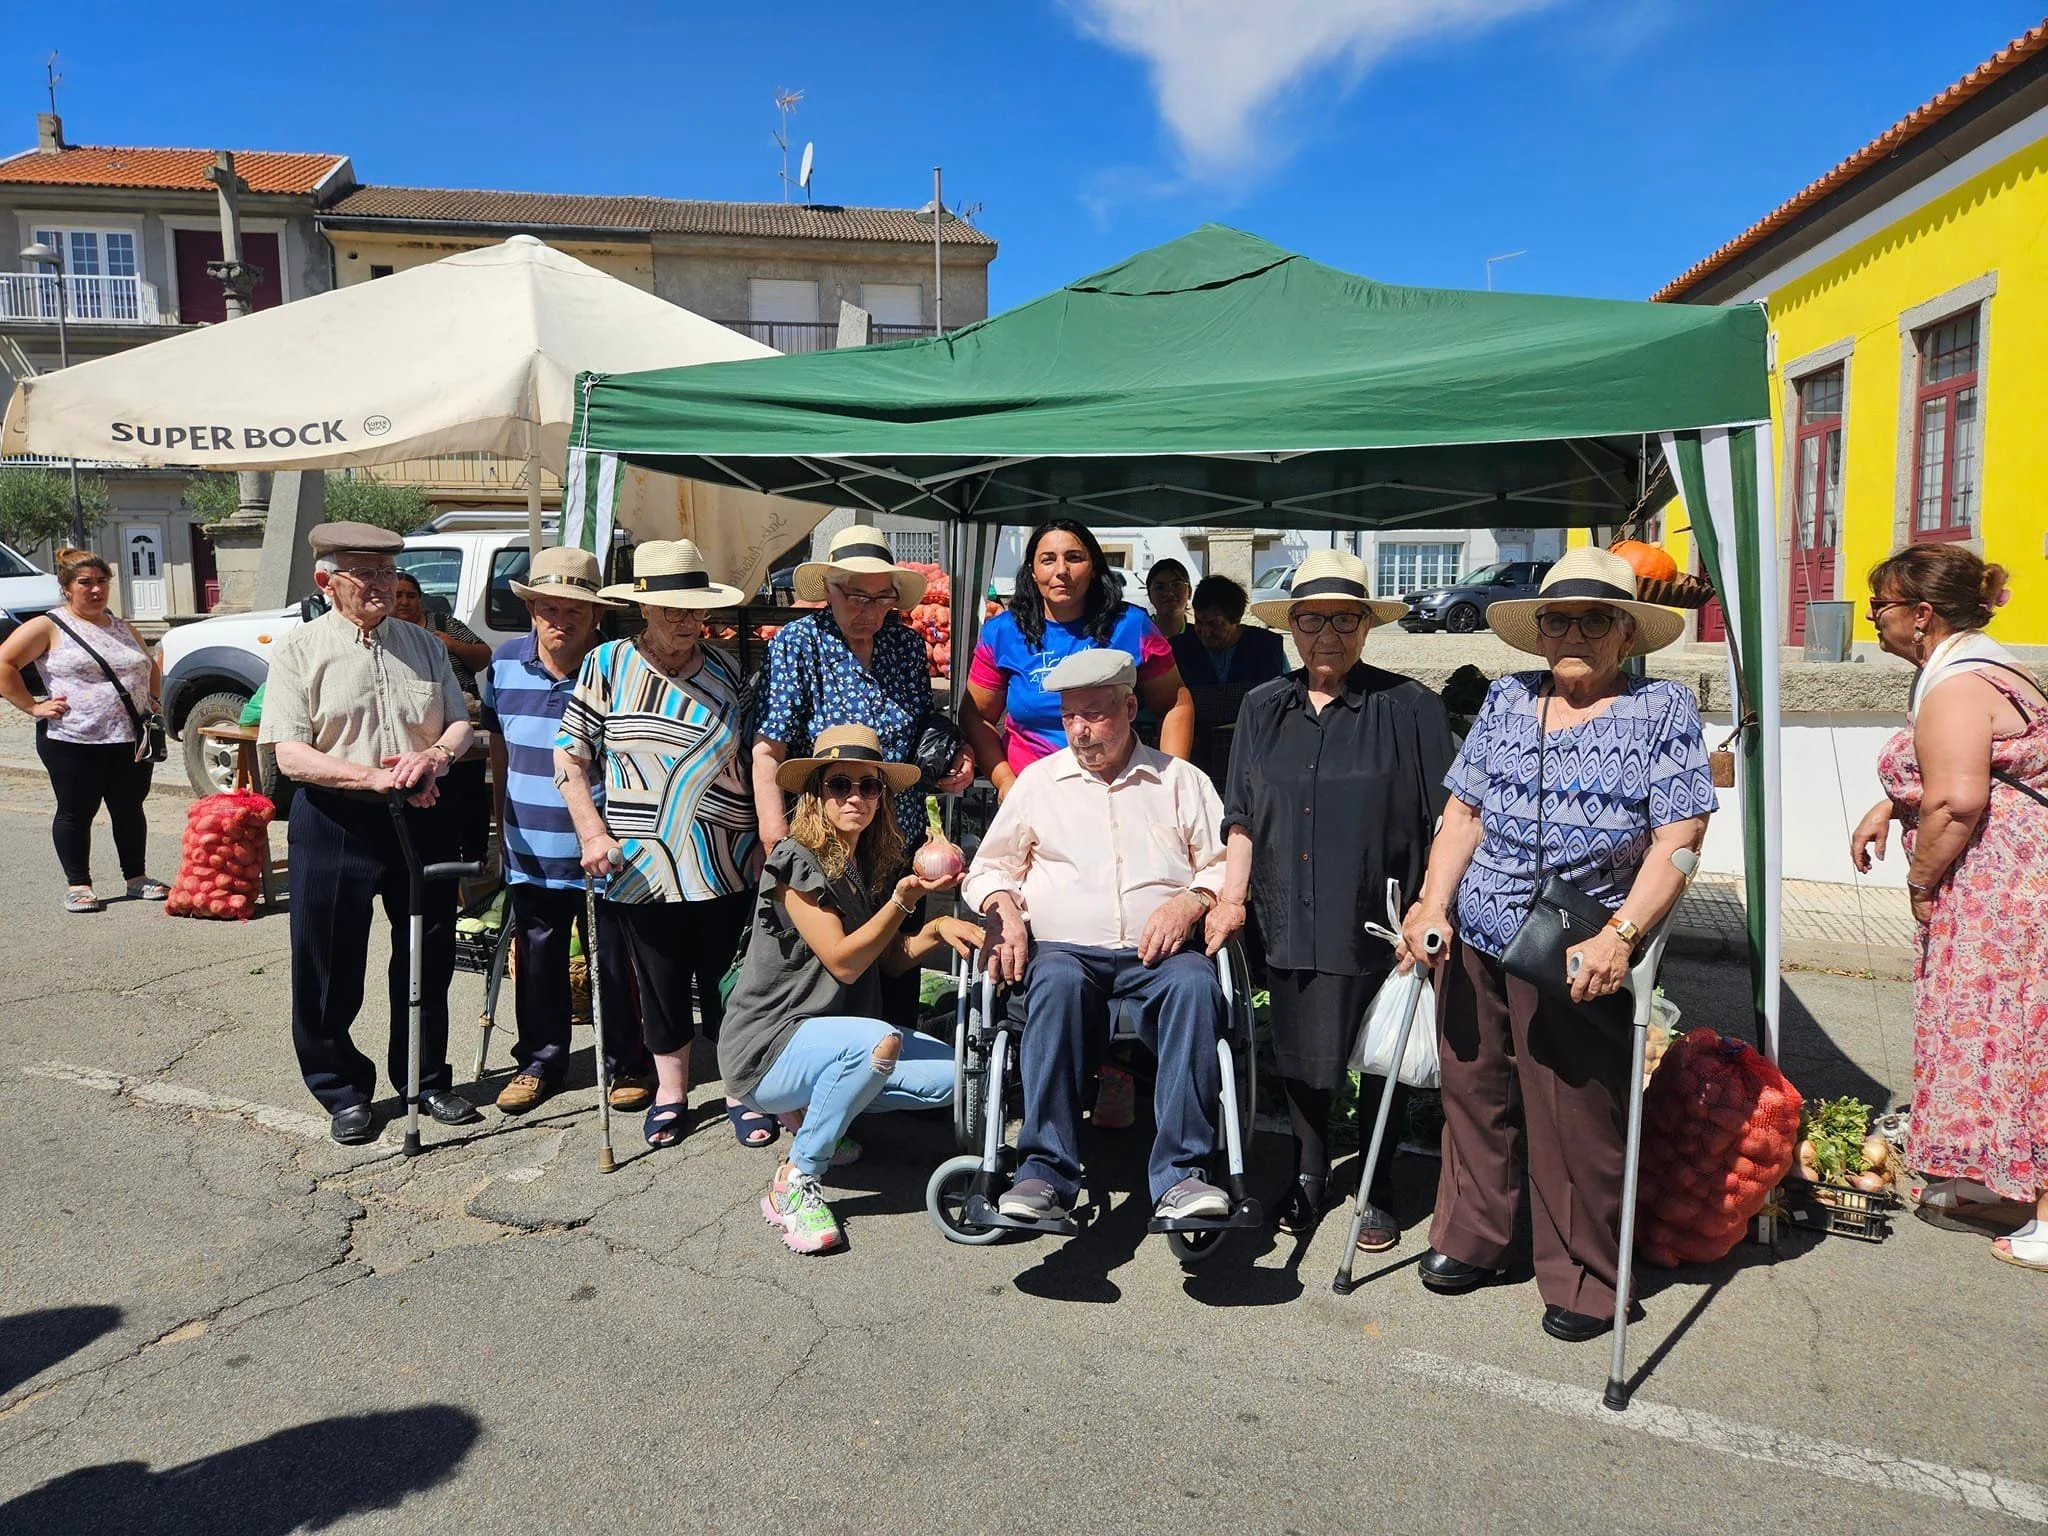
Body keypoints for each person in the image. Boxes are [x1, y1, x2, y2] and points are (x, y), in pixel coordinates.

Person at [1396, 547, 1713, 1342]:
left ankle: (1584, 1275)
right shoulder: (1507, 698)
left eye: (1593, 619)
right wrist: (1432, 902)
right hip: (1479, 927)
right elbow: (1463, 814)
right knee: (1474, 1092)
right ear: (1538, 633)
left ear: (1625, 633)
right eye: (1558, 619)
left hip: (1579, 939)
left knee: (1576, 1113)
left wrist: (1622, 936)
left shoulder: (1662, 710)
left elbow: (1681, 835)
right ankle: (1476, 1235)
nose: (1573, 632)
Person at [1206, 550, 1451, 1244]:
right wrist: (1232, 896)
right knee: (1304, 1054)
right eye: (1312, 619)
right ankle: (1310, 1172)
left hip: (1380, 911)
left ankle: (1377, 1184)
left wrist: (1430, 907)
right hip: (1291, 903)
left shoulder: (1411, 708)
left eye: (1346, 619)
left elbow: (1451, 820)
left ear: (1368, 626)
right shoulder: (1262, 706)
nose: (1328, 634)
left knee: (1383, 1053)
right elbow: (1243, 814)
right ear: (1292, 627)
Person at [962, 648, 1232, 1225]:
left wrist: (1191, 901)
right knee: (1054, 981)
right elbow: (988, 868)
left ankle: (1183, 1177)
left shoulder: (1180, 781)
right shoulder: (1039, 783)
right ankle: (1042, 1174)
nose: (1080, 731)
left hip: (1158, 953)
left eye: (1095, 715)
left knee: (1195, 986)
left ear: (1132, 707)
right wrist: (1003, 906)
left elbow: (1221, 866)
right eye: (1069, 717)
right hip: (1066, 953)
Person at [1852, 545, 2046, 1273]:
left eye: (1882, 608)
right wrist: (1888, 804)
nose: (1874, 621)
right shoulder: (1992, 670)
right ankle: (2008, 1185)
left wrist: (1921, 883)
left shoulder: (1958, 687)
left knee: (2025, 1042)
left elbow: (1958, 799)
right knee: (2003, 1037)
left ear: (1922, 615)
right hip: (2018, 887)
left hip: (2003, 893)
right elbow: (1970, 772)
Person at [258, 522, 481, 1144]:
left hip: (424, 811)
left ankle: (426, 1080)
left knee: (425, 957)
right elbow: (290, 754)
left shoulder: (424, 643)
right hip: (335, 821)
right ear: (327, 582)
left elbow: (461, 725)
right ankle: (342, 1090)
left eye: (388, 571)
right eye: (366, 572)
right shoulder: (299, 650)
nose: (382, 584)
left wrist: (433, 757)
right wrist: (369, 778)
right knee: (329, 961)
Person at [721, 726, 979, 1254]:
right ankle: (795, 1180)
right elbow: (843, 962)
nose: (855, 797)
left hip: (830, 1039)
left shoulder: (871, 863)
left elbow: (884, 960)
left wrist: (933, 932)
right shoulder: (795, 859)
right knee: (874, 1044)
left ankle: (817, 1118)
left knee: (957, 1078)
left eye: (869, 786)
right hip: (768, 1045)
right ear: (816, 794)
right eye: (840, 784)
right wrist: (905, 902)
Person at [556, 540, 764, 1151]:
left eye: (691, 607)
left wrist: (762, 838)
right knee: (661, 982)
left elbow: (756, 760)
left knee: (731, 983)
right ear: (642, 608)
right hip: (640, 864)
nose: (683, 619)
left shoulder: (729, 669)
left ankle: (740, 1091)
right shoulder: (608, 666)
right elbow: (569, 757)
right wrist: (592, 832)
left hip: (727, 858)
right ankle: (672, 1094)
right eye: (669, 608)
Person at [751, 526, 973, 1027]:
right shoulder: (797, 644)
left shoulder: (906, 645)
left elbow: (920, 727)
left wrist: (952, 756)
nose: (868, 610)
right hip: (826, 835)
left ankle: (894, 1069)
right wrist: (776, 839)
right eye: (854, 596)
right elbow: (769, 749)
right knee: (829, 966)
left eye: (881, 598)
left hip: (898, 830)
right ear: (827, 590)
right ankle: (827, 1080)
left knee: (896, 962)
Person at [479, 546, 651, 1116]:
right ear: (531, 610)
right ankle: (539, 1062)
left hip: (603, 848)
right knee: (538, 958)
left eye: (575, 610)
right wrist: (497, 823)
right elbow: (500, 747)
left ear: (596, 615)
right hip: (528, 844)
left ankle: (628, 1062)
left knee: (614, 962)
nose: (561, 620)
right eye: (548, 608)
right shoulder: (503, 663)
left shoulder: (618, 668)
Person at [961, 520, 1194, 797]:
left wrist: (1170, 782)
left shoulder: (1131, 626)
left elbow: (1174, 703)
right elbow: (976, 716)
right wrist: (1006, 782)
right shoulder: (1002, 633)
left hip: (1117, 790)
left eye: (1074, 558)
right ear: (1032, 572)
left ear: (1094, 567)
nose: (1061, 571)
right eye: (1048, 560)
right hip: (1033, 792)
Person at [0, 547, 169, 913]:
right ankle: (78, 884)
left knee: (129, 808)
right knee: (76, 811)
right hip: (74, 739)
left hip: (130, 739)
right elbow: (5, 663)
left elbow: (151, 663)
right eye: (85, 583)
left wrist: (153, 701)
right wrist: (32, 705)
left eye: (102, 582)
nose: (95, 590)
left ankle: (136, 878)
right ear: (65, 587)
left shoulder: (122, 625)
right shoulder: (49, 625)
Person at [391, 571, 491, 863]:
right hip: (420, 729)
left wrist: (451, 644)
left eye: (411, 595)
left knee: (471, 788)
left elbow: (483, 654)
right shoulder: (389, 633)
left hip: (463, 719)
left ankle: (476, 854)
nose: (405, 601)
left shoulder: (443, 624)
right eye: (398, 595)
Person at [1169, 573, 1289, 787]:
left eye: (1215, 624)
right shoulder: (1178, 649)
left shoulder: (1267, 648)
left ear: (1236, 619)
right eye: (1199, 622)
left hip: (1254, 757)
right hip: (1196, 758)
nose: (1205, 632)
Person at [1145, 558, 1193, 639]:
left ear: (1190, 591)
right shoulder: (1137, 636)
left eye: (1176, 584)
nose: (1169, 593)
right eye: (1160, 587)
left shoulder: (1201, 638)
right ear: (1149, 595)